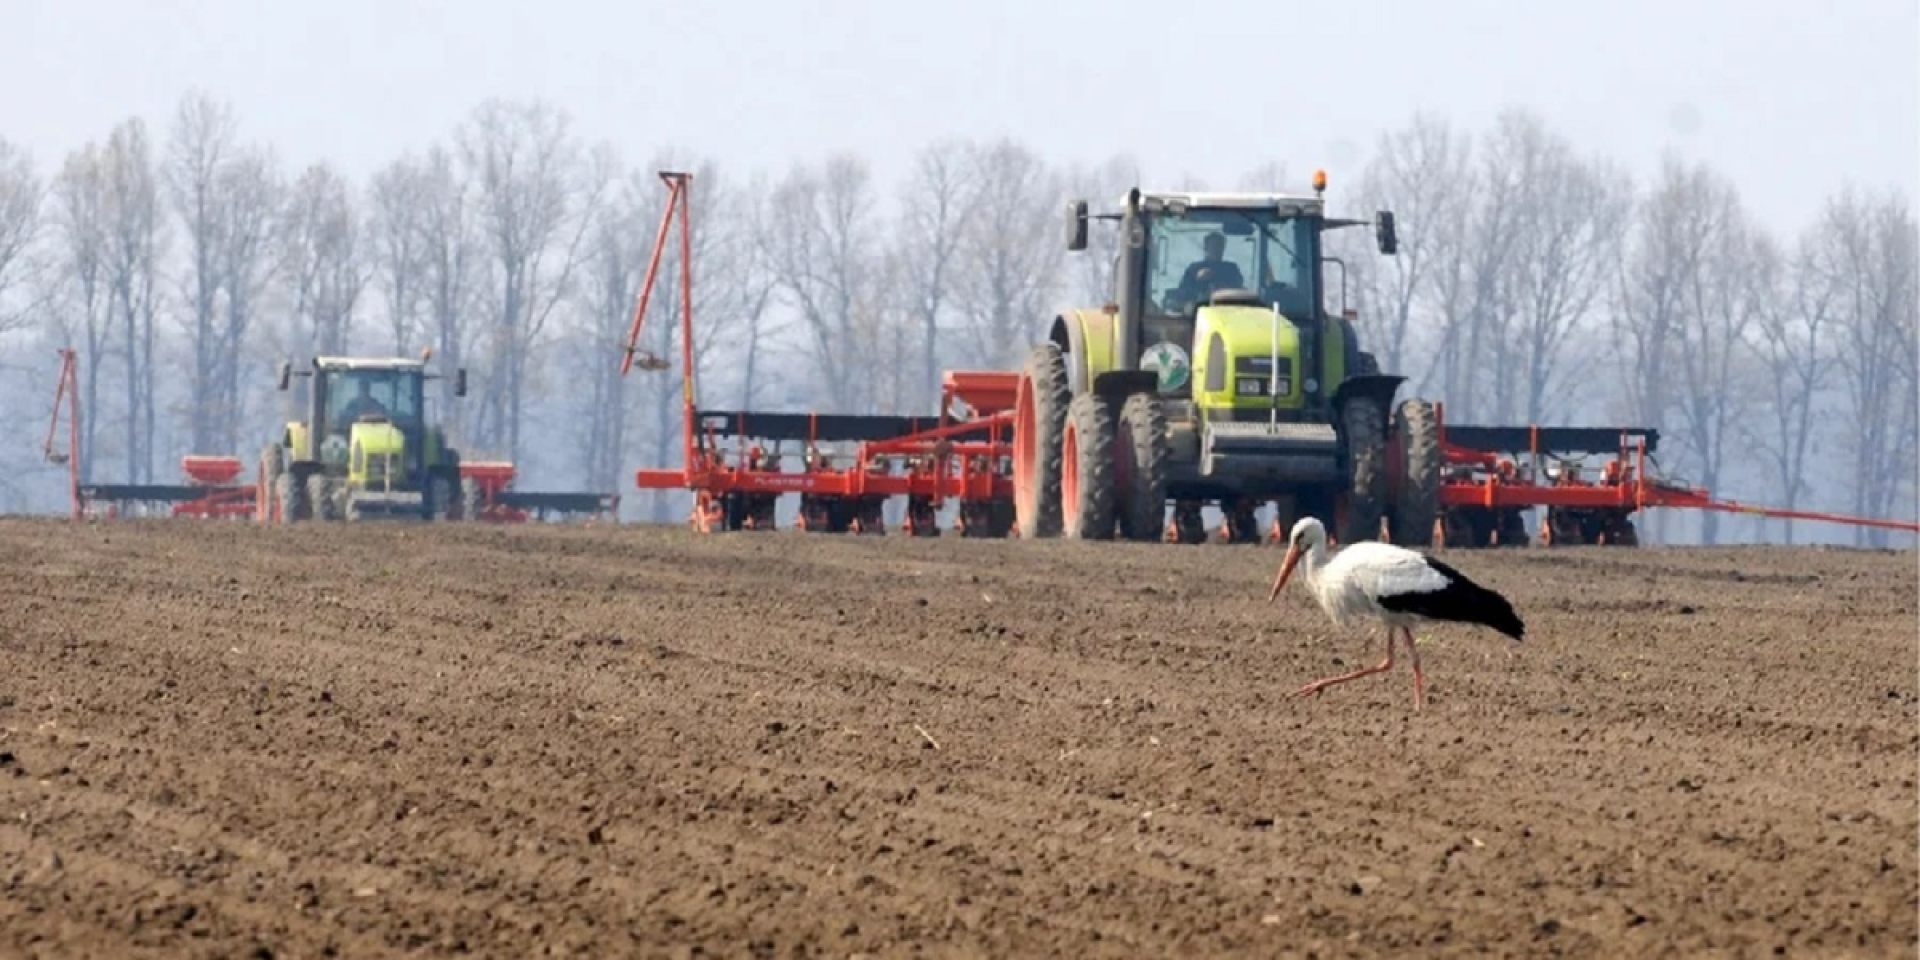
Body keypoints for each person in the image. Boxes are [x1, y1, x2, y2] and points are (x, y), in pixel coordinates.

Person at [1175, 231, 1245, 307]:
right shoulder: (1194, 268)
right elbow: (1183, 292)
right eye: (1213, 246)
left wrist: (1221, 286)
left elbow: (1238, 290)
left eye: (1219, 246)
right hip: (1199, 309)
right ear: (1205, 248)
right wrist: (1199, 281)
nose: (1215, 249)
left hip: (1225, 308)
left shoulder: (1231, 269)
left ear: (1223, 248)